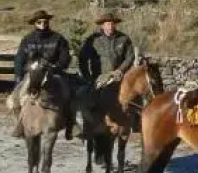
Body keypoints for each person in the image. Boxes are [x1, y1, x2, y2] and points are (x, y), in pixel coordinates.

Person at [8, 9, 73, 139]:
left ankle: (71, 126)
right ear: (34, 23)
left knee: (69, 95)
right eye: (39, 22)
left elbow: (65, 57)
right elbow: (19, 58)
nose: (43, 24)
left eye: (45, 21)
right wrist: (18, 76)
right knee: (14, 98)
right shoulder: (27, 39)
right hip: (31, 73)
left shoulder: (58, 39)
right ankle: (19, 125)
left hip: (53, 72)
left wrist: (57, 68)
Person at [78, 12, 137, 88]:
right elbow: (83, 59)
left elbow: (130, 57)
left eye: (113, 24)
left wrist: (120, 70)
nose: (111, 26)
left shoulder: (124, 38)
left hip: (120, 78)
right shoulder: (93, 40)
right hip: (99, 79)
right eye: (108, 24)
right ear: (102, 25)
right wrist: (88, 77)